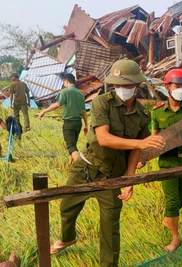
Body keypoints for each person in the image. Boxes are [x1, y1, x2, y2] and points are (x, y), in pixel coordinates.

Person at [49, 59, 166, 267]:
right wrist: (141, 142)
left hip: (113, 177)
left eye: (126, 85)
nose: (121, 89)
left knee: (110, 228)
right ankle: (68, 237)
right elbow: (103, 138)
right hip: (85, 168)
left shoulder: (142, 114)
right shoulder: (101, 102)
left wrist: (129, 180)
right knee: (67, 207)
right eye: (117, 84)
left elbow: (134, 152)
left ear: (137, 86)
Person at [152, 69, 182, 252]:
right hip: (167, 162)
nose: (181, 89)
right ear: (167, 87)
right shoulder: (157, 112)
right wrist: (143, 158)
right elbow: (153, 137)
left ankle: (168, 219)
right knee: (172, 201)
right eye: (177, 85)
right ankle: (175, 239)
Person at [38, 74, 88, 163]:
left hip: (69, 123)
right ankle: (70, 165)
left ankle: (82, 167)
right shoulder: (80, 94)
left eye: (64, 82)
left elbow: (57, 104)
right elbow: (84, 111)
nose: (64, 84)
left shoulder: (65, 92)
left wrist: (44, 111)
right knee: (73, 145)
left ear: (67, 81)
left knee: (71, 147)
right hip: (78, 123)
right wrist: (86, 125)